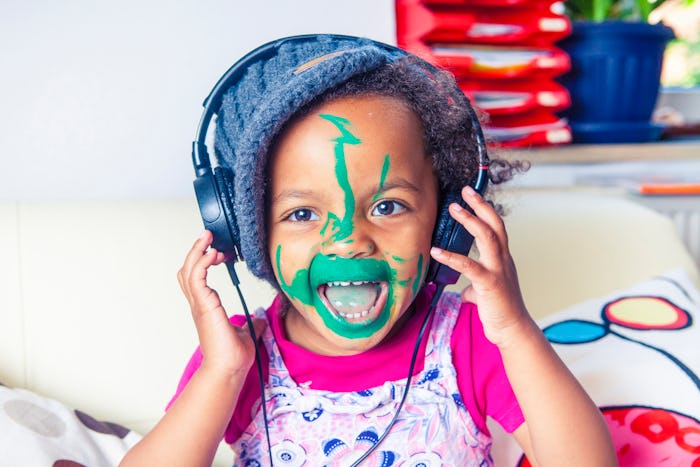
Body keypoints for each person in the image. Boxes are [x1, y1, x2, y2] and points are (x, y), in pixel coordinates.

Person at [120, 35, 616, 466]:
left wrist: (514, 330)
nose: (349, 239)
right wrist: (221, 373)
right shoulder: (238, 357)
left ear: (446, 221)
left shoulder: (471, 340)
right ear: (248, 235)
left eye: (388, 206)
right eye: (302, 214)